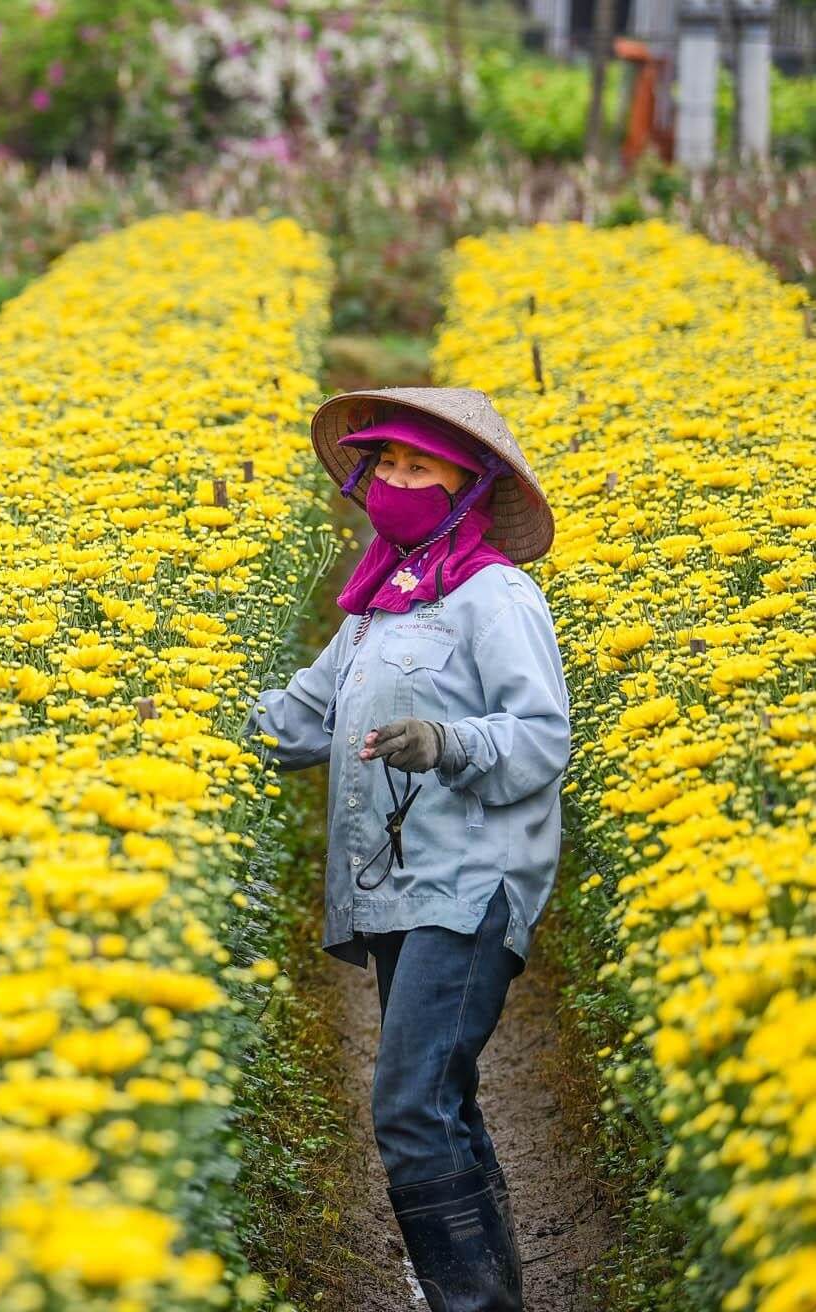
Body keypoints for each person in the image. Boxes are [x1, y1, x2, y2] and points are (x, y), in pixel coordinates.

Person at [243, 387, 570, 1311]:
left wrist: (450, 741)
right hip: (397, 882)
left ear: (468, 489)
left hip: (469, 883)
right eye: (385, 464)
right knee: (441, 1101)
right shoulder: (376, 606)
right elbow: (300, 722)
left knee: (410, 1107)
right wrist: (168, 717)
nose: (395, 480)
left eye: (419, 467)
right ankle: (494, 1296)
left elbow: (543, 737)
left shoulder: (495, 597)